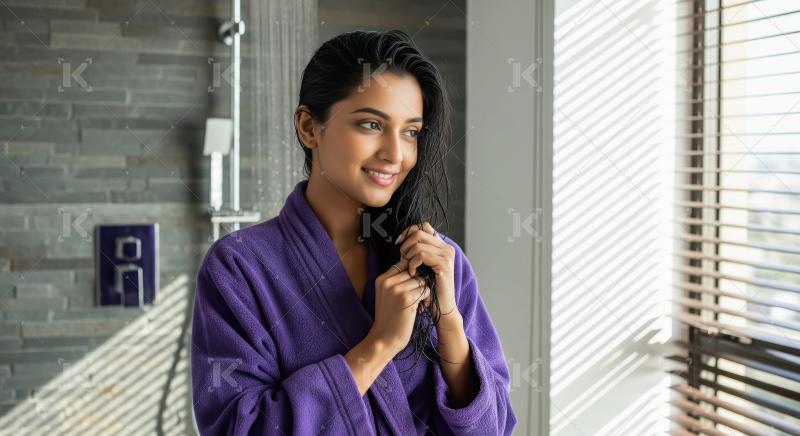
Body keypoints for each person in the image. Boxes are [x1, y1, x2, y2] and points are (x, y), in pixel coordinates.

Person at [190, 29, 516, 435]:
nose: (395, 154)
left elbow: (494, 428)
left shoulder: (438, 261)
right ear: (309, 127)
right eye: (370, 124)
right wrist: (378, 345)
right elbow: (237, 428)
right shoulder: (238, 267)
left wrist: (448, 322)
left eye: (411, 132)